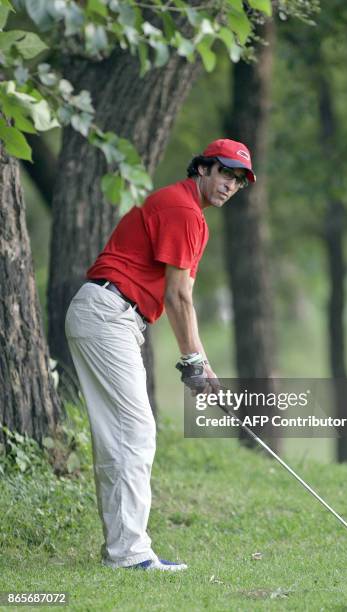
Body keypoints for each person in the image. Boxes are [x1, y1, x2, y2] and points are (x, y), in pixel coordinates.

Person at [65, 138, 256, 571]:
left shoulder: (189, 212)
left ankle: (123, 549)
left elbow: (178, 296)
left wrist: (201, 363)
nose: (231, 184)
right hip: (108, 315)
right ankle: (129, 554)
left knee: (124, 435)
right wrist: (193, 363)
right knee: (135, 432)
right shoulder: (183, 210)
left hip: (112, 316)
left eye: (239, 180)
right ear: (203, 168)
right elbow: (178, 297)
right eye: (225, 172)